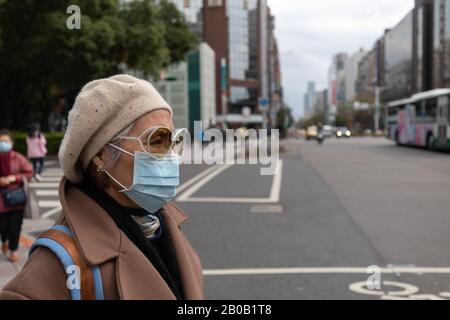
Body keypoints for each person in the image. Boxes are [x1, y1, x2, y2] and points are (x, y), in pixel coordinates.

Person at [0, 75, 203, 300]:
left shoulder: (164, 226)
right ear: (100, 156)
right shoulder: (53, 271)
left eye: (174, 140)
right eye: (157, 141)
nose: (172, 156)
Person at [0, 130, 34, 262]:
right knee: (2, 226)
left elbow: (29, 173)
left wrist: (15, 177)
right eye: (1, 141)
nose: (3, 144)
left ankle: (13, 250)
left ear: (11, 143)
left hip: (15, 199)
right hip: (1, 201)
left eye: (6, 141)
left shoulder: (18, 157)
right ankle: (4, 241)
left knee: (15, 226)